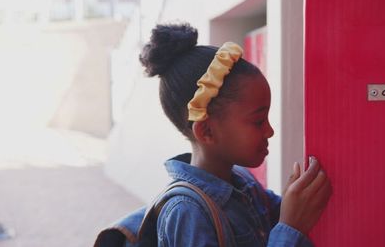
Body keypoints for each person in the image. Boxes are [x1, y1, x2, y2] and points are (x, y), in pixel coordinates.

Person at [139, 22, 332, 247]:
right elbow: (288, 226)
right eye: (258, 121)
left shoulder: (244, 182)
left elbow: (286, 214)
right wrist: (291, 228)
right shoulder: (186, 212)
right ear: (207, 131)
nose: (270, 131)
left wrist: (297, 200)